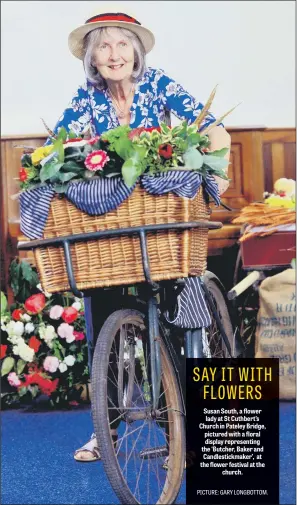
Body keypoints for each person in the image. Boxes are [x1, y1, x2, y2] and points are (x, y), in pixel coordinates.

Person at [46, 9, 231, 462]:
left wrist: (213, 172)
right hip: (118, 227)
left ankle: (183, 434)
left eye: (122, 44)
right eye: (103, 47)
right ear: (92, 58)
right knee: (99, 308)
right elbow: (60, 150)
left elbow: (212, 130)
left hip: (163, 218)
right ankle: (104, 429)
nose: (114, 55)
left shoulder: (160, 84)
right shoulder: (86, 97)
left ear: (137, 51)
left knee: (175, 314)